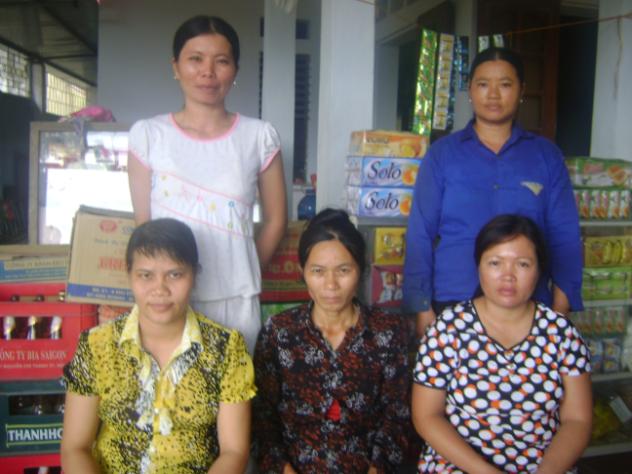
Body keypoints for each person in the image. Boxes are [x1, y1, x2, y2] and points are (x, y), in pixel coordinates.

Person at [127, 15, 287, 353]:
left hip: (236, 300)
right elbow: (144, 227)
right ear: (176, 66)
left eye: (221, 61)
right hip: (167, 299)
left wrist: (241, 267)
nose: (207, 72)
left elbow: (276, 220)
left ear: (235, 70)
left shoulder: (258, 137)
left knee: (235, 383)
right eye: (195, 59)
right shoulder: (149, 136)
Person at [403, 47, 582, 337]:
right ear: (470, 91)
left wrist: (560, 307)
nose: (494, 95)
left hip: (529, 302)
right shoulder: (442, 155)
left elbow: (565, 234)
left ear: (521, 90)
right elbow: (420, 232)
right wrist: (422, 307)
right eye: (483, 84)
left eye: (505, 84)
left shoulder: (546, 156)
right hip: (454, 298)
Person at [61, 218, 255, 474]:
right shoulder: (96, 345)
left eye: (175, 275)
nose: (159, 289)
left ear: (194, 275)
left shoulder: (226, 348)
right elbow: (75, 448)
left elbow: (234, 451)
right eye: (146, 276)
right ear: (129, 274)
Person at [411, 214, 592, 473]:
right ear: (479, 266)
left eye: (523, 264)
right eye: (495, 263)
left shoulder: (561, 334)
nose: (508, 276)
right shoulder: (447, 329)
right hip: (458, 466)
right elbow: (427, 416)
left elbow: (577, 420)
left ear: (539, 269)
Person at [253, 209, 411, 473]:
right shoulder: (280, 333)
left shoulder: (388, 333)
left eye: (343, 270)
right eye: (318, 271)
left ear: (360, 270)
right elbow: (262, 419)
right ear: (302, 271)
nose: (331, 285)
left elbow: (396, 418)